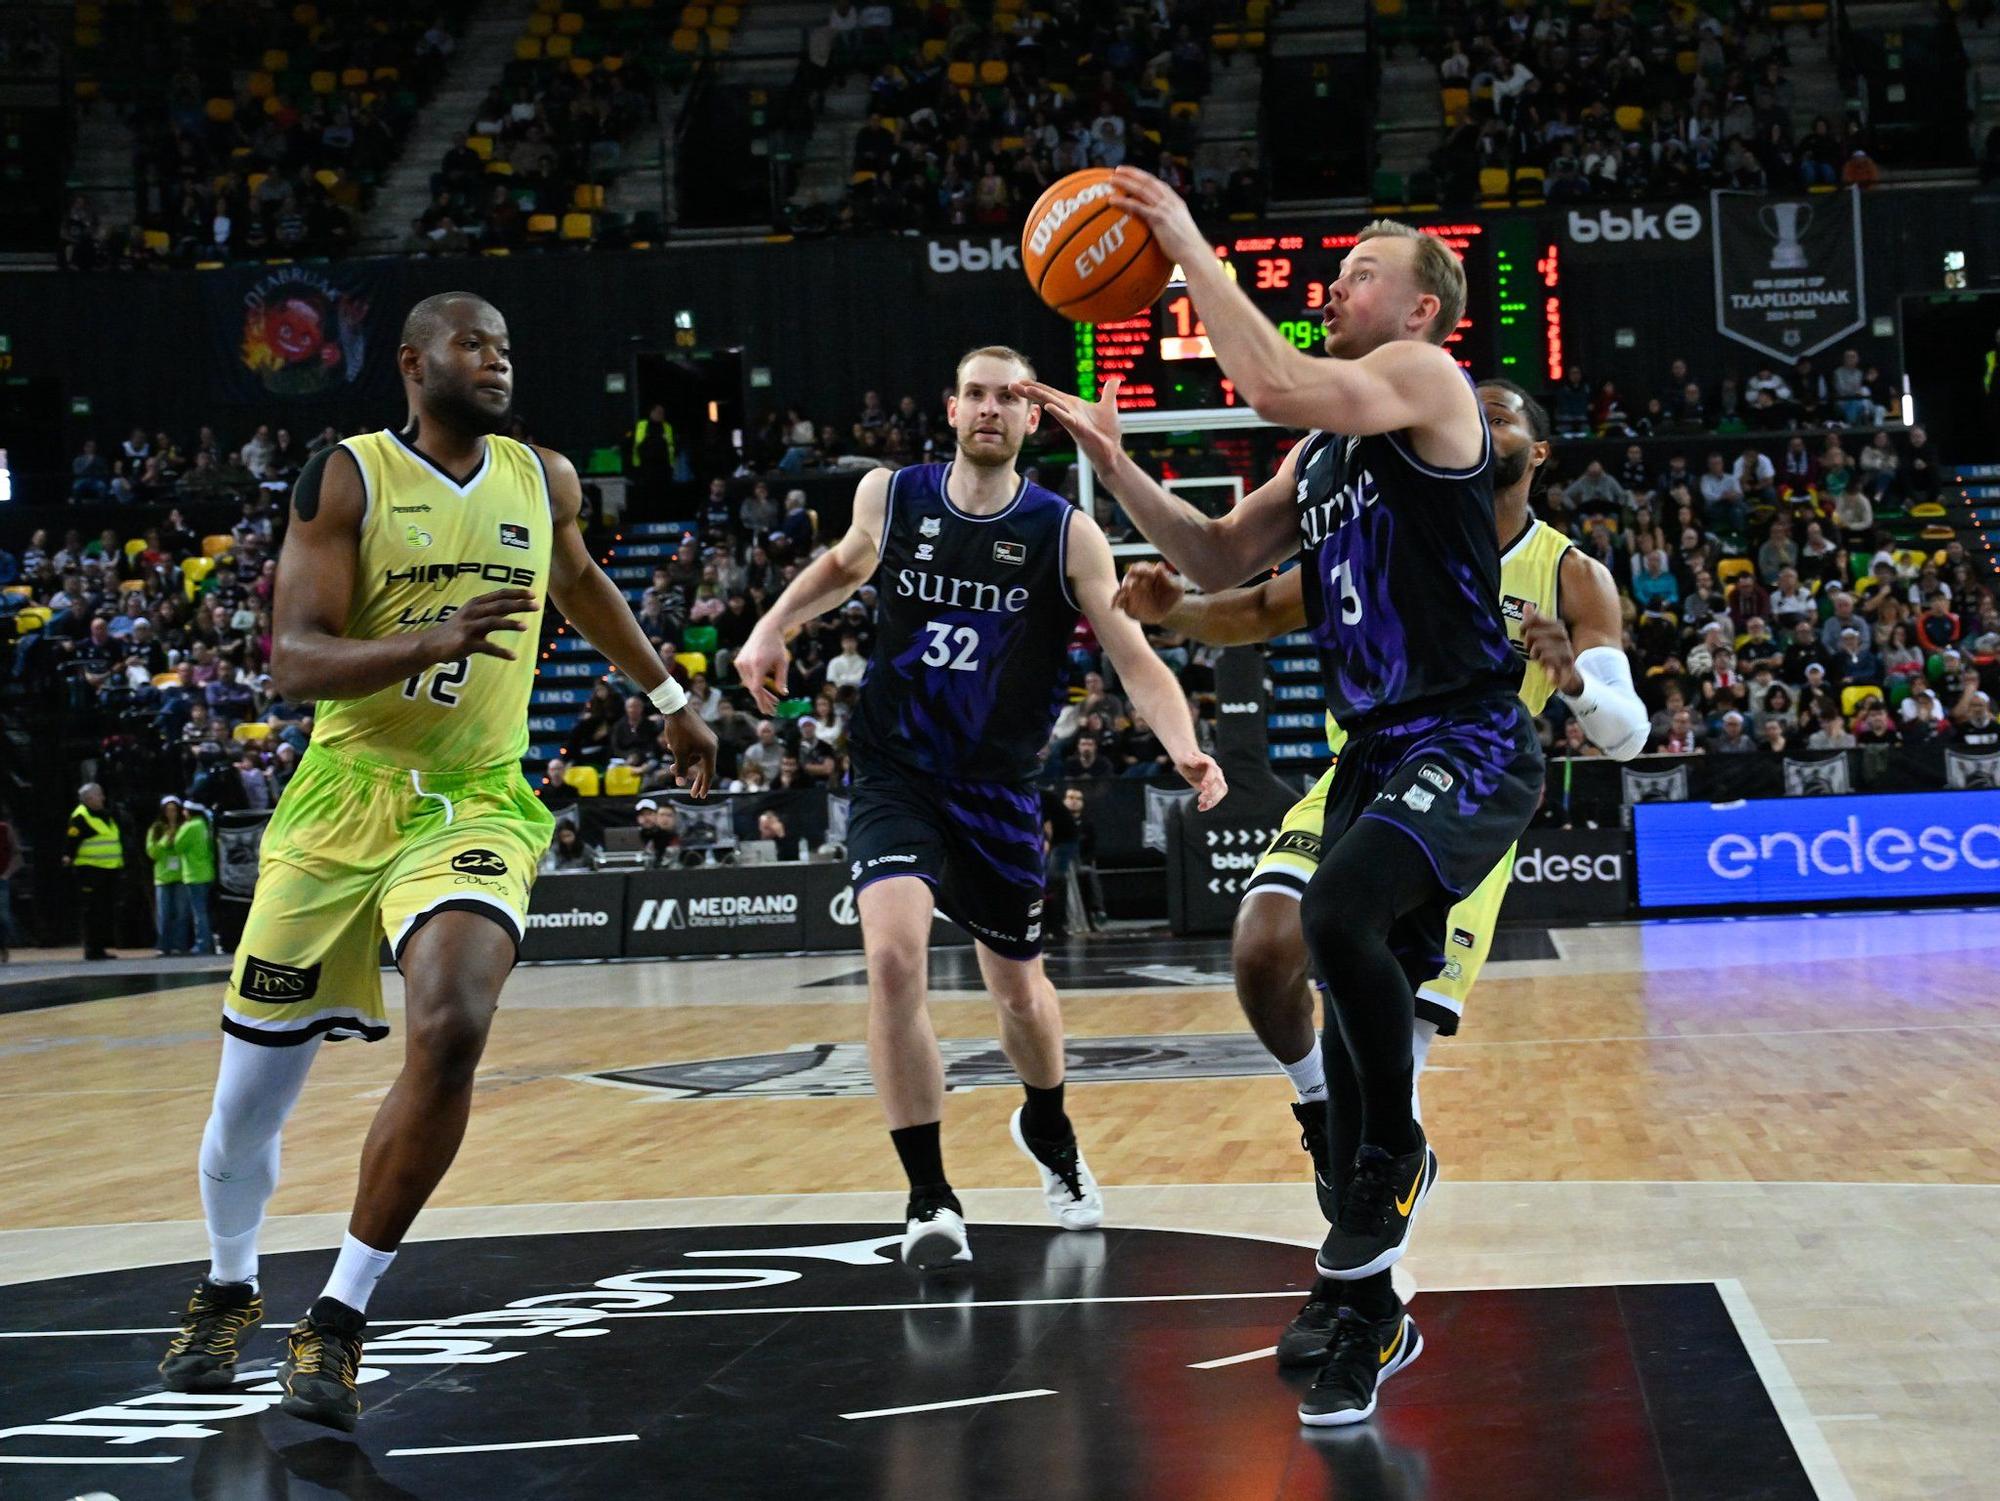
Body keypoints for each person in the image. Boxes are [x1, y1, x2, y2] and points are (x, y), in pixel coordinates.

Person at [1018, 189, 1564, 1428]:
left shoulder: (1425, 380)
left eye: (1360, 272)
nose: (1336, 285)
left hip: (1467, 730)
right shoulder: (1322, 458)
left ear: (1419, 310)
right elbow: (1216, 557)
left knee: (1334, 917)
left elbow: (1269, 381)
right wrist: (1112, 462)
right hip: (1375, 744)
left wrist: (1181, 240)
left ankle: (1388, 1153)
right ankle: (1364, 1305)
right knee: (1334, 976)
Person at [157, 292, 718, 1432]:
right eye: (474, 344)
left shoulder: (543, 478)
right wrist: (431, 640)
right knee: (246, 1110)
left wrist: (668, 697)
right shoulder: (347, 477)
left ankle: (339, 1315)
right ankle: (227, 1283)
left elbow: (580, 584)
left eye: (507, 345)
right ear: (414, 363)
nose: (498, 360)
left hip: (475, 799)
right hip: (339, 801)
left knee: (455, 1021)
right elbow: (294, 661)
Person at [1114, 378, 1645, 1395]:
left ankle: (1363, 1304)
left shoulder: (1568, 572)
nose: (1482, 421)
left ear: (1536, 453)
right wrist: (1176, 611)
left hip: (1457, 805)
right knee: (1263, 949)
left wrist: (1576, 683)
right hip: (1355, 774)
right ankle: (1328, 1120)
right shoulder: (1386, 519)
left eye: (1504, 416)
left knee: (1381, 1059)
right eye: (1474, 409)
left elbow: (1626, 733)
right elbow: (1254, 605)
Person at [735, 344, 1225, 1272]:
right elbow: (843, 564)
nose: (990, 408)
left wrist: (1182, 742)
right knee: (892, 960)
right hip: (896, 772)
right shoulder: (892, 495)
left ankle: (1048, 1124)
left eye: (1008, 396)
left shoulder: (1064, 531)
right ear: (952, 409)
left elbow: (1133, 656)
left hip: (998, 788)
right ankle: (929, 1193)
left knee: (1020, 995)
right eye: (975, 394)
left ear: (1034, 418)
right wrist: (770, 625)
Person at [65, 780, 123, 960]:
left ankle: (100, 947)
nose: (102, 798)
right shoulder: (80, 817)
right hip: (90, 870)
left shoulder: (105, 814)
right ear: (88, 798)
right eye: (99, 795)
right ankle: (92, 949)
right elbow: (71, 842)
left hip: (108, 869)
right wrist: (68, 857)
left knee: (104, 909)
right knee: (92, 910)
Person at [147, 795, 190, 956]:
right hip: (163, 877)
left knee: (181, 913)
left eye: (174, 810)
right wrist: (166, 838)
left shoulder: (184, 827)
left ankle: (180, 945)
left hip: (181, 876)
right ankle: (163, 945)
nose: (171, 813)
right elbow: (152, 852)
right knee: (163, 914)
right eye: (168, 810)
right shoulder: (156, 828)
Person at [178, 799, 217, 956]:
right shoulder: (205, 825)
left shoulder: (189, 827)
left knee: (198, 912)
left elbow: (177, 845)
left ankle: (202, 944)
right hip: (207, 872)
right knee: (206, 911)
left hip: (194, 874)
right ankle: (209, 942)